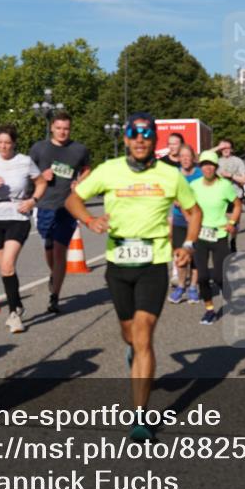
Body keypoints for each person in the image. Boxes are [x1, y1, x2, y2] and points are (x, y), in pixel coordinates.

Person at [66, 113, 202, 442]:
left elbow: (194, 211)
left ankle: (140, 417)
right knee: (129, 334)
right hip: (118, 264)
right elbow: (73, 199)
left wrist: (188, 245)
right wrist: (89, 220)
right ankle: (134, 350)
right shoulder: (108, 170)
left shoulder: (170, 175)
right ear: (126, 139)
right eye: (133, 133)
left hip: (154, 263)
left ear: (154, 140)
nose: (140, 139)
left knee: (143, 335)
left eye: (146, 134)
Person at [0, 125, 46, 332]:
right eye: (0, 142)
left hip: (17, 216)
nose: (3, 146)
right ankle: (18, 304)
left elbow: (41, 183)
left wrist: (32, 201)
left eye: (7, 143)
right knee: (5, 270)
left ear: (14, 144)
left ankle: (13, 314)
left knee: (7, 264)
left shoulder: (25, 161)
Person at [29, 112, 91, 314]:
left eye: (66, 128)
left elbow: (87, 169)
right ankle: (54, 275)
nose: (62, 132)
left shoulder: (79, 149)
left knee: (59, 250)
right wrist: (41, 176)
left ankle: (54, 296)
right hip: (44, 206)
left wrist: (79, 181)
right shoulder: (39, 148)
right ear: (52, 128)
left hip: (68, 207)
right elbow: (27, 172)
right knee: (49, 250)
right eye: (59, 128)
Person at [190, 151, 241, 325]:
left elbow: (237, 204)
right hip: (200, 235)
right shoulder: (194, 185)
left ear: (216, 167)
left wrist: (232, 222)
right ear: (201, 167)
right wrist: (190, 219)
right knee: (202, 277)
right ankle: (209, 310)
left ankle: (229, 295)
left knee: (219, 277)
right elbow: (186, 205)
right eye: (205, 164)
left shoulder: (224, 185)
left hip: (219, 235)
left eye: (211, 165)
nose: (208, 168)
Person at [168, 144, 202, 305]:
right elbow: (171, 194)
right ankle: (181, 286)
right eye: (182, 156)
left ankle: (193, 287)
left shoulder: (200, 174)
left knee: (195, 256)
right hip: (179, 219)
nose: (185, 159)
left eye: (188, 156)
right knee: (180, 255)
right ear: (179, 158)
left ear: (193, 158)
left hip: (197, 220)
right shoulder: (174, 174)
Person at [215, 138, 245, 252]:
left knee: (233, 223)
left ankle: (233, 240)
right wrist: (218, 147)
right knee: (221, 222)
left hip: (235, 195)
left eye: (228, 148)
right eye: (223, 148)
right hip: (220, 196)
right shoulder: (216, 161)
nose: (225, 150)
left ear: (232, 149)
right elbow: (202, 157)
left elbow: (244, 179)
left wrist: (230, 175)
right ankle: (222, 243)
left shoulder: (238, 161)